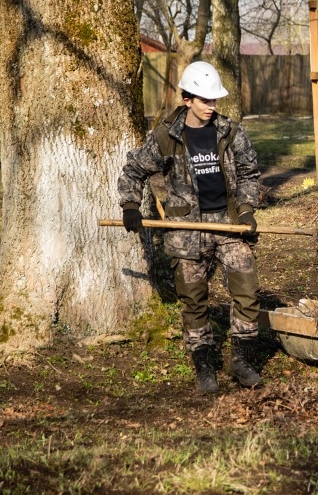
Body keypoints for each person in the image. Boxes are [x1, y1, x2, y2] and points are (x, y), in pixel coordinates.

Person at [118, 61, 263, 394]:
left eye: (214, 100)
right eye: (204, 100)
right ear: (187, 99)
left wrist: (245, 211)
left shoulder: (230, 131)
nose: (211, 106)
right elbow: (134, 170)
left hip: (229, 226)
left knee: (247, 292)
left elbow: (248, 173)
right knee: (194, 301)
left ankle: (242, 361)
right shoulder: (167, 136)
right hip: (186, 230)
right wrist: (130, 206)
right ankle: (204, 368)